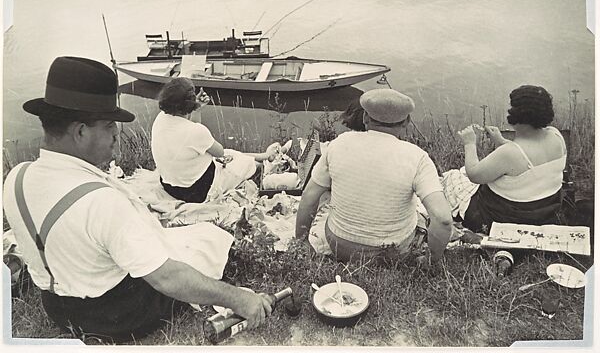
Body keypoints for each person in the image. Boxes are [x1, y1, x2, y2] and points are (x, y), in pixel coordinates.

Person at [3, 57, 273, 342]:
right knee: (205, 241)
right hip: (114, 314)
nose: (116, 136)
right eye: (109, 126)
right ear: (80, 131)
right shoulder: (102, 202)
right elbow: (166, 278)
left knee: (188, 238)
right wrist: (240, 299)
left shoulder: (17, 177)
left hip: (56, 307)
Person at [295, 88, 453, 263]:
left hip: (339, 246)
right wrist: (432, 259)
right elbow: (443, 219)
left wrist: (302, 242)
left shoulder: (339, 144)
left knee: (326, 195)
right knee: (420, 216)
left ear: (365, 118)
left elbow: (309, 197)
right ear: (406, 122)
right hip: (393, 252)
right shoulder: (417, 157)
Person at [456, 85, 567, 233]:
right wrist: (500, 141)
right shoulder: (555, 136)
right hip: (545, 209)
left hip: (507, 216)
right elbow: (528, 157)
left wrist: (469, 144)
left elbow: (474, 175)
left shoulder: (509, 153)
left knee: (455, 177)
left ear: (517, 114)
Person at [151, 78, 276, 203]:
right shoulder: (196, 131)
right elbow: (219, 152)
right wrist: (195, 107)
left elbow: (191, 133)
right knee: (237, 160)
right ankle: (265, 162)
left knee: (229, 154)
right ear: (189, 102)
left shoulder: (161, 118)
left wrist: (196, 108)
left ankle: (265, 156)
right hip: (197, 191)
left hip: (170, 187)